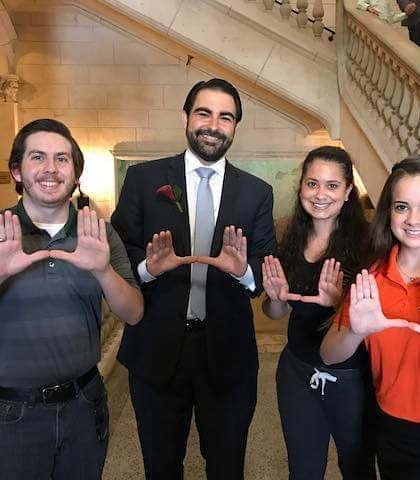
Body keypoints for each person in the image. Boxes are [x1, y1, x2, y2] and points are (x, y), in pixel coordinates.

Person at [111, 78, 276, 480]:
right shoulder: (144, 180)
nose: (213, 125)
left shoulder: (257, 192)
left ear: (235, 126)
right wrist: (149, 268)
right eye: (204, 113)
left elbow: (264, 264)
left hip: (228, 353)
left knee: (226, 465)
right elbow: (118, 254)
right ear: (186, 117)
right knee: (161, 465)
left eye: (226, 117)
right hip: (156, 348)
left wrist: (245, 272)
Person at [0, 118, 143, 480]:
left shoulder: (98, 232)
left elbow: (135, 312)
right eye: (38, 157)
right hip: (10, 412)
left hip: (84, 403)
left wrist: (101, 270)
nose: (51, 168)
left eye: (62, 159)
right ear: (17, 170)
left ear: (75, 173)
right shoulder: (2, 233)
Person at [321, 154, 420, 480]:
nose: (413, 219)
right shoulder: (373, 279)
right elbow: (328, 354)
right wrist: (355, 331)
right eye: (402, 206)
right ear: (389, 212)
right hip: (393, 433)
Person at [262, 146, 376, 480]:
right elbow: (275, 312)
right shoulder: (291, 236)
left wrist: (339, 305)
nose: (320, 194)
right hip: (297, 371)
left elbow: (373, 325)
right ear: (301, 188)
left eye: (331, 185)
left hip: (352, 378)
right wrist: (276, 299)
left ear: (348, 191)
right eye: (313, 184)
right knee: (303, 469)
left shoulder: (369, 243)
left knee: (357, 468)